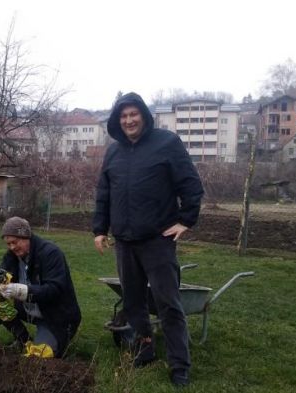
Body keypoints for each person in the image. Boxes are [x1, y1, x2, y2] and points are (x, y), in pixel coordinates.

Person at [92, 92, 204, 386]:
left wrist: (186, 220)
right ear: (118, 121)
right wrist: (99, 230)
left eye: (133, 114)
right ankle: (146, 348)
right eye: (123, 116)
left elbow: (190, 184)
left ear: (144, 115)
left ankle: (180, 365)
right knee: (133, 302)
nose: (129, 120)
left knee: (168, 304)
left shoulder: (167, 144)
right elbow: (104, 193)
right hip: (125, 242)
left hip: (157, 241)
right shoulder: (113, 153)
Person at [0, 216, 81, 358]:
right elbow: (1, 273)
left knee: (40, 356)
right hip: (31, 308)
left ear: (25, 236)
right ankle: (23, 340)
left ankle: (53, 337)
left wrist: (22, 291)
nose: (12, 247)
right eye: (8, 244)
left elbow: (55, 290)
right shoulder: (13, 255)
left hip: (57, 316)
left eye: (14, 242)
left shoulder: (51, 253)